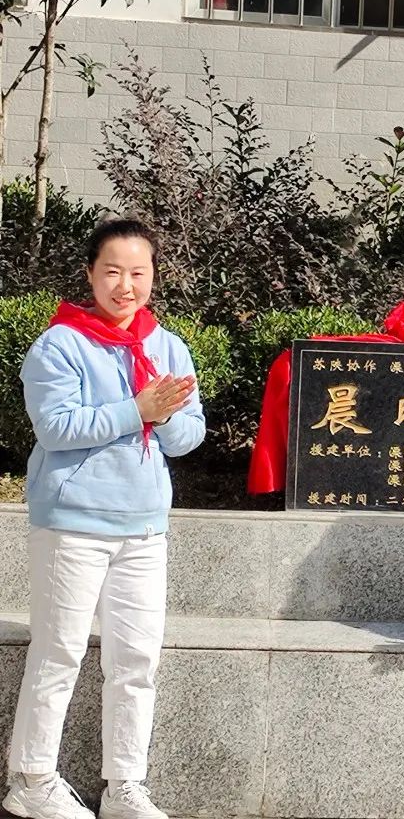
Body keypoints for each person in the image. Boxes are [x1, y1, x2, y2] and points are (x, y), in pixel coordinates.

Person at [3, 218, 205, 819]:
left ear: (153, 277)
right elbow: (55, 428)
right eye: (112, 271)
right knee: (59, 653)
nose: (125, 285)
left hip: (144, 528)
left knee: (137, 662)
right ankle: (31, 781)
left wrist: (163, 416)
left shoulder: (168, 347)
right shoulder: (60, 345)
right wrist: (136, 408)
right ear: (91, 274)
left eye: (138, 273)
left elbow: (189, 436)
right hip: (73, 524)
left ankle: (125, 787)